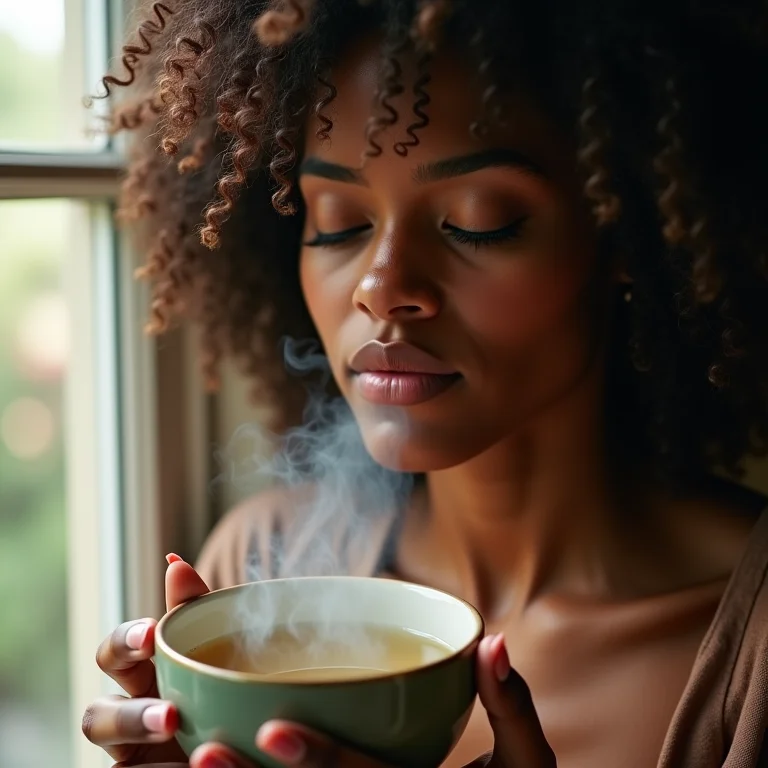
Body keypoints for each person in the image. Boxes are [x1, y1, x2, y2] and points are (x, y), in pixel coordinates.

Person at [80, 1, 768, 766]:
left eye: (479, 220)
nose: (382, 287)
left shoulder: (750, 641)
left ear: (624, 232)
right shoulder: (261, 565)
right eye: (339, 222)